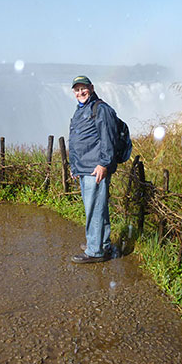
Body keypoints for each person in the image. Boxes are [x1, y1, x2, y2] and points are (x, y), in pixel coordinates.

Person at [68, 75, 119, 264]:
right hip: (84, 167)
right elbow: (77, 139)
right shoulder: (82, 109)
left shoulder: (100, 109)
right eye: (77, 90)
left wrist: (104, 163)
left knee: (94, 210)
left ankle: (95, 251)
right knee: (98, 208)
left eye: (83, 89)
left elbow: (108, 138)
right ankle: (101, 243)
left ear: (91, 87)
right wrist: (74, 166)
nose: (80, 93)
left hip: (94, 168)